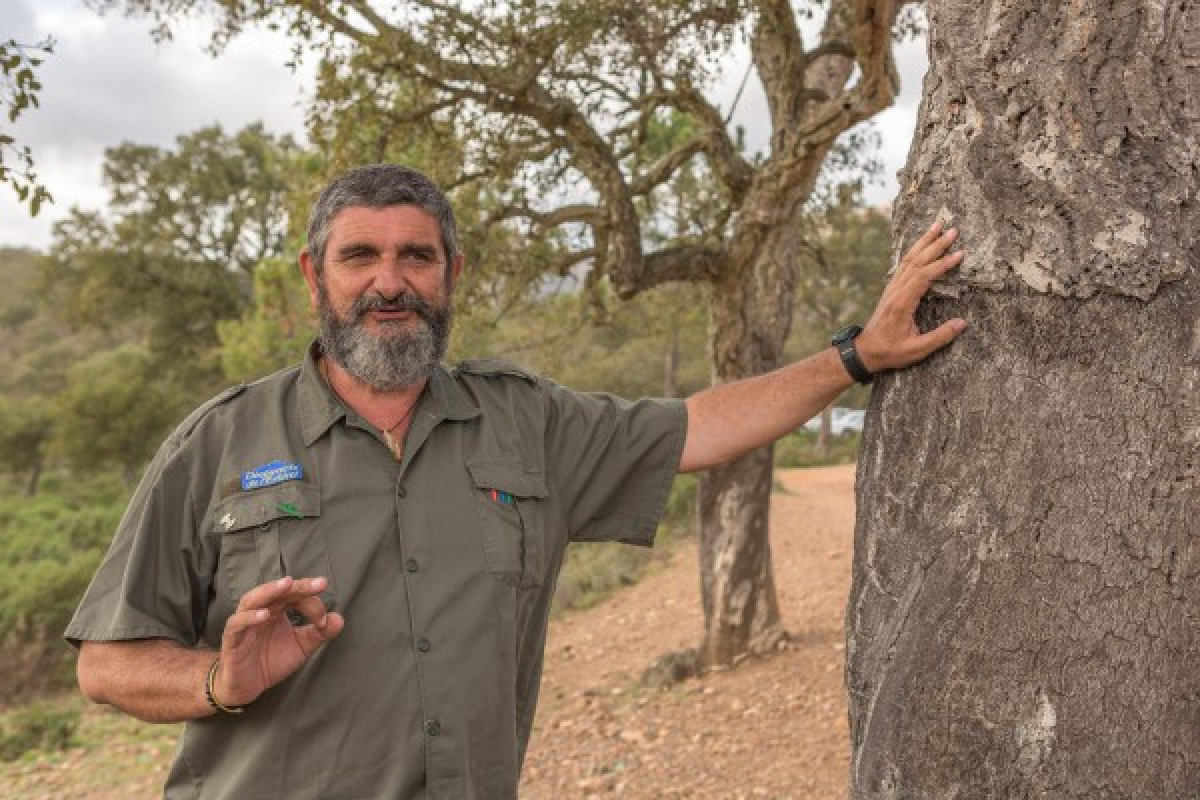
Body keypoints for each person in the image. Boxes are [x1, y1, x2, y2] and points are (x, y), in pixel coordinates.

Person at [66, 164, 966, 799]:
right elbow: (107, 666)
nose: (391, 282)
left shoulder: (527, 423)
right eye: (360, 257)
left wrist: (858, 355)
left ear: (452, 274)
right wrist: (220, 683)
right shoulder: (216, 442)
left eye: (418, 257)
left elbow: (703, 425)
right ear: (314, 278)